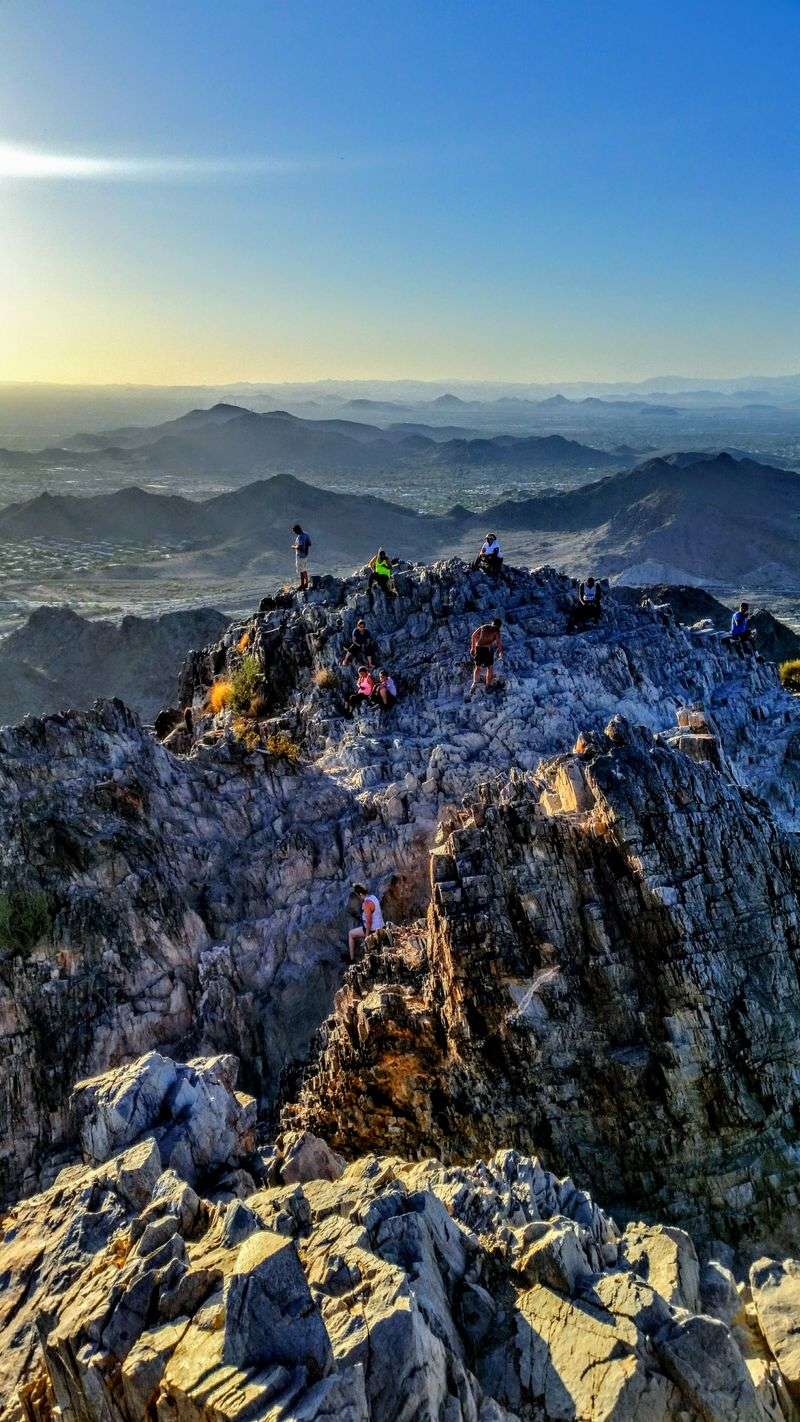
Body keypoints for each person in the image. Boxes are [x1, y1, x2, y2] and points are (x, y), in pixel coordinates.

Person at [348, 882, 385, 961]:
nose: (358, 897)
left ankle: (351, 959)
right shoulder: (373, 897)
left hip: (373, 930)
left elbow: (369, 922)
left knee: (351, 934)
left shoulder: (366, 903)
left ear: (360, 894)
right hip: (381, 926)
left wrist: (367, 937)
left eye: (357, 895)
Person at [469, 617, 503, 691]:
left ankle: (475, 683)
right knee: (489, 668)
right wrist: (500, 652)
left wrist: (473, 648)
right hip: (487, 650)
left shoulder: (483, 627)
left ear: (492, 623)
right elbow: (499, 643)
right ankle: (487, 685)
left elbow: (473, 636)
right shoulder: (496, 631)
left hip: (479, 648)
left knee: (478, 667)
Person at [292, 523, 311, 591]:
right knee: (304, 569)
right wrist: (306, 550)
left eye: (294, 531)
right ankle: (306, 583)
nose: (294, 533)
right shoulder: (306, 534)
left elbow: (299, 547)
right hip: (305, 555)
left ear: (297, 530)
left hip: (300, 556)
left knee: (301, 570)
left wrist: (293, 546)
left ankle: (303, 584)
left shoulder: (300, 536)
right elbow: (309, 544)